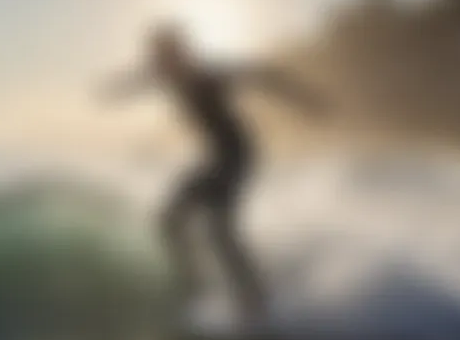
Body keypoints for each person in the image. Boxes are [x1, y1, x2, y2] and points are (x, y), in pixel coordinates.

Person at [98, 22, 326, 320]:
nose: (158, 63)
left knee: (218, 228)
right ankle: (194, 286)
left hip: (237, 155)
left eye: (163, 56)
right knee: (169, 222)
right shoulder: (166, 75)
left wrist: (305, 100)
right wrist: (116, 89)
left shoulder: (206, 75)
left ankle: (253, 302)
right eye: (156, 57)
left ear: (179, 54)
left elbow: (261, 76)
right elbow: (140, 79)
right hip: (217, 158)